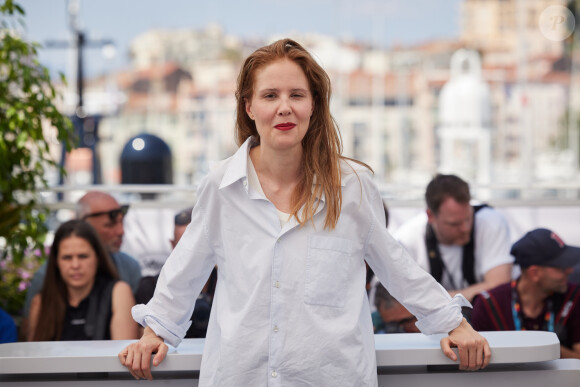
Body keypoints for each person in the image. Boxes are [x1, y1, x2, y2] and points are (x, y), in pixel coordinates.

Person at [118, 39, 490, 385]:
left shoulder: (353, 185)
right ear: (249, 106)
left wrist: (452, 323)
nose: (285, 107)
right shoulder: (221, 185)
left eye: (297, 94)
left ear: (314, 105)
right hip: (240, 375)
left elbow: (396, 265)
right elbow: (185, 269)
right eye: (270, 95)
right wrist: (154, 332)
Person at [393, 173, 513, 301]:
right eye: (454, 224)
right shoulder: (407, 239)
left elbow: (499, 287)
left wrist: (434, 300)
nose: (465, 228)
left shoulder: (491, 222)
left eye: (468, 218)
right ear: (430, 216)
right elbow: (400, 300)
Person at [24, 191, 142, 317]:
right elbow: (30, 330)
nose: (121, 231)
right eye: (109, 225)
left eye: (122, 222)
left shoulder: (129, 267)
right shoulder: (47, 275)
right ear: (82, 226)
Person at [471, 228, 580, 359]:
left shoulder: (574, 296)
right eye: (561, 267)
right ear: (534, 273)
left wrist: (543, 347)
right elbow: (477, 362)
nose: (569, 270)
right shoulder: (488, 304)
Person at [27, 220, 139, 341]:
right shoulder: (40, 302)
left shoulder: (119, 293)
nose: (75, 265)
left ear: (97, 258)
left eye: (83, 256)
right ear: (56, 262)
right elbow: (35, 356)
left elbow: (125, 355)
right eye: (67, 257)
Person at [135, 207, 217, 338]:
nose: (191, 255)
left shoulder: (227, 284)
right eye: (183, 247)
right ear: (172, 245)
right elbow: (145, 341)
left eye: (198, 247)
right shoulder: (150, 287)